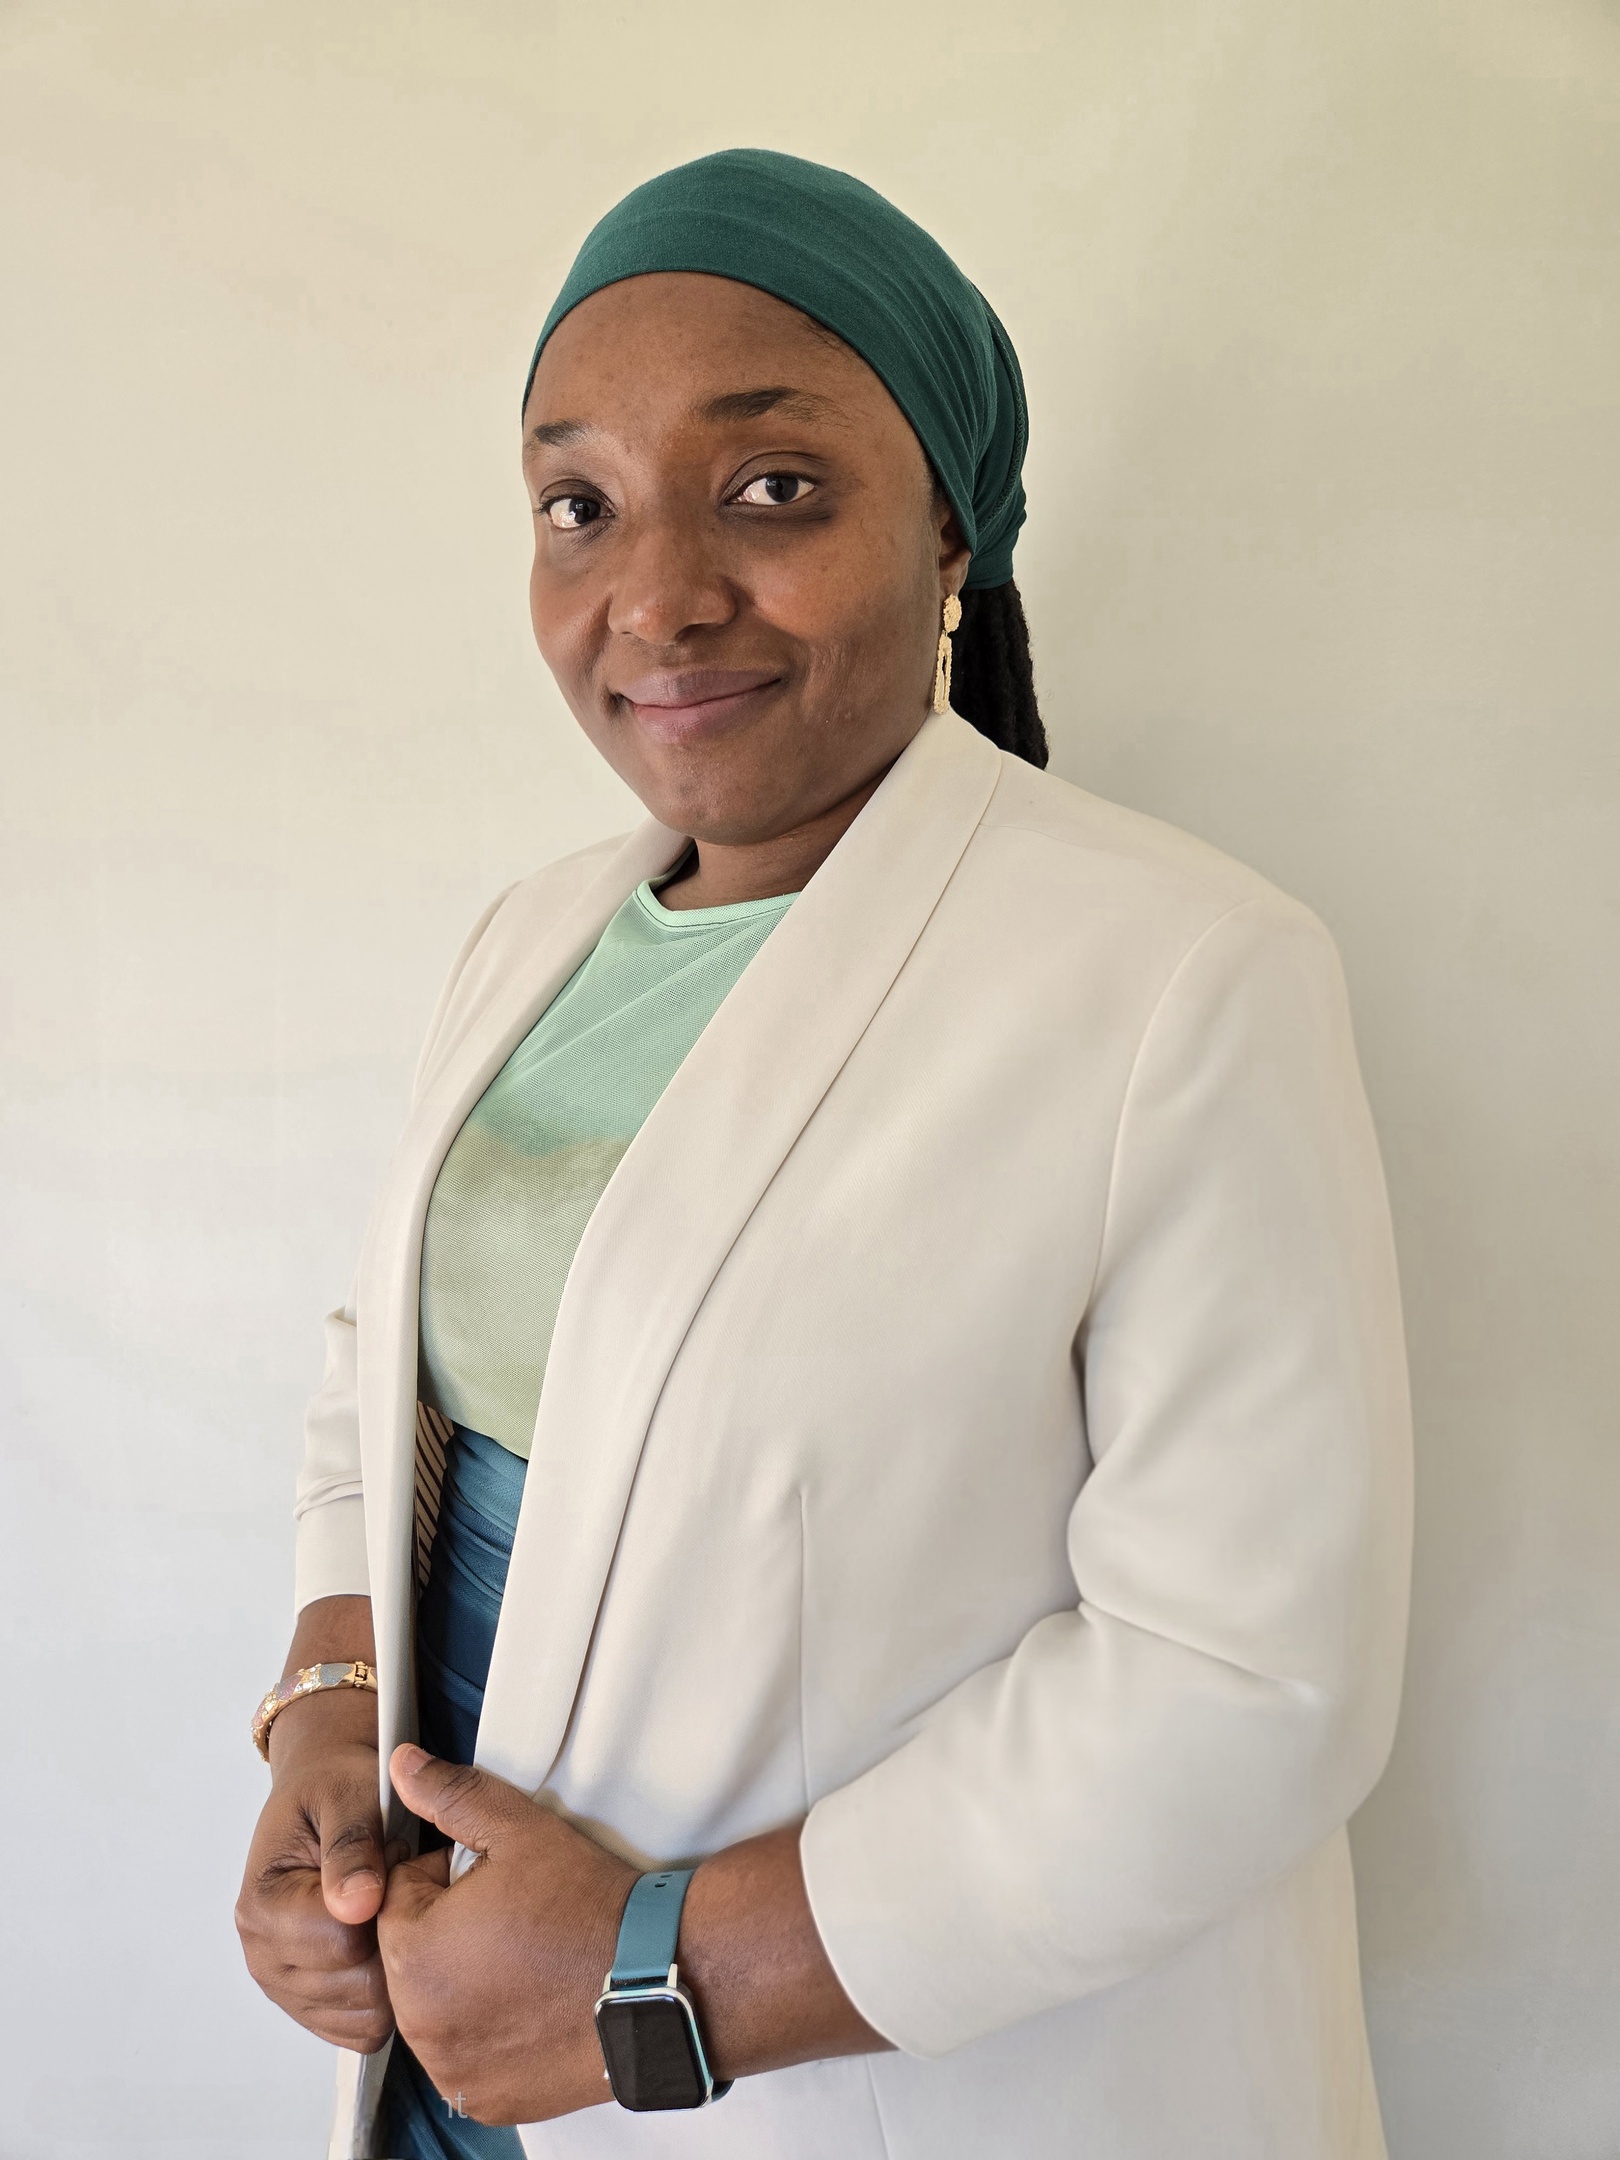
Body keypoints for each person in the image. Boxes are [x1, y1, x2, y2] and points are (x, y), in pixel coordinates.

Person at [236, 148, 1413, 2160]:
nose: (657, 594)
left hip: (843, 2081)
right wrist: (332, 1707)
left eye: (773, 487)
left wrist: (657, 1976)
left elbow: (1244, 1683)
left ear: (948, 526)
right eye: (580, 504)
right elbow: (392, 1373)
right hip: (463, 2036)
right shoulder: (532, 941)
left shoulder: (1184, 976)